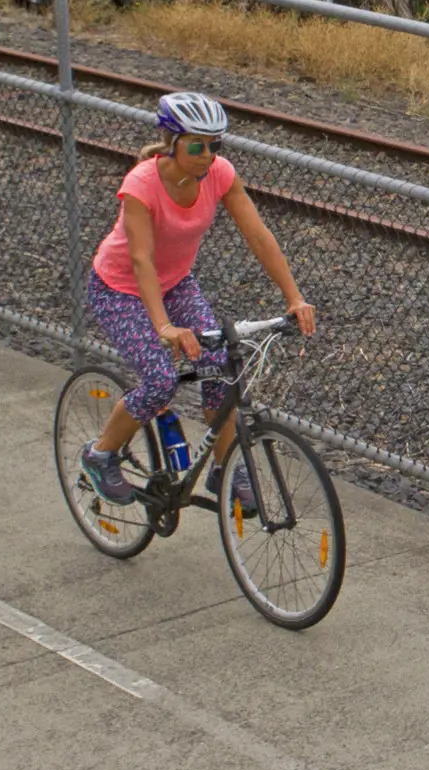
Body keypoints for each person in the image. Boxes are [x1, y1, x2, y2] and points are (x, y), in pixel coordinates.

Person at [79, 91, 317, 506]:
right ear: (172, 142)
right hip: (119, 289)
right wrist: (164, 327)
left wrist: (293, 297)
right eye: (197, 145)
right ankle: (100, 455)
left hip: (174, 284)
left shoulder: (221, 175)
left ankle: (223, 469)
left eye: (215, 145)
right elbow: (140, 259)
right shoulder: (142, 183)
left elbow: (258, 235)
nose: (208, 155)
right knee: (160, 381)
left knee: (219, 368)